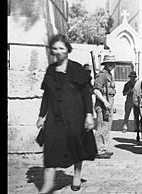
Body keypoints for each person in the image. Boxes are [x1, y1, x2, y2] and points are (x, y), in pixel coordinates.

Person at [36, 34, 96, 193]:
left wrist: (89, 115)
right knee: (50, 148)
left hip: (75, 115)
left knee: (76, 146)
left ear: (67, 49)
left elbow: (86, 93)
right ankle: (48, 184)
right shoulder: (50, 70)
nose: (58, 52)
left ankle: (76, 175)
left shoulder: (77, 69)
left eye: (61, 48)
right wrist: (41, 116)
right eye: (55, 48)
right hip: (55, 117)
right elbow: (46, 95)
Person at [93, 55, 118, 159]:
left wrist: (112, 104)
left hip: (109, 103)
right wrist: (105, 102)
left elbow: (111, 91)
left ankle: (102, 148)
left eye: (113, 63)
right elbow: (96, 90)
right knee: (101, 127)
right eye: (109, 63)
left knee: (106, 127)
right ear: (105, 64)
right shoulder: (102, 75)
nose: (112, 65)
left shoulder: (109, 75)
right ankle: (98, 149)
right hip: (102, 104)